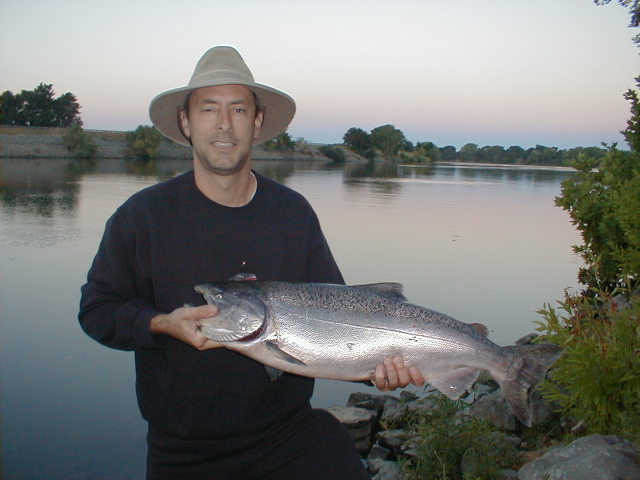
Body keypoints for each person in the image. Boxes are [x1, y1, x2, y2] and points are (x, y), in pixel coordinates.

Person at [79, 45, 424, 479]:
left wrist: (378, 372)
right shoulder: (142, 216)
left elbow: (343, 316)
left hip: (288, 437)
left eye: (239, 109)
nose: (224, 124)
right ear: (186, 121)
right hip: (183, 452)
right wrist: (161, 324)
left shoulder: (292, 214)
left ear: (257, 122)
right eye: (209, 109)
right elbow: (97, 310)